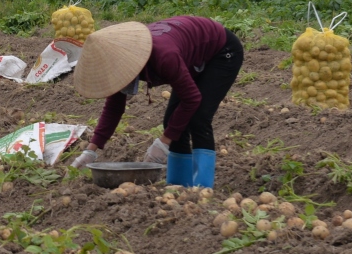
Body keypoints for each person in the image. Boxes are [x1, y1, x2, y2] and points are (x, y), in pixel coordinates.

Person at [70, 17, 244, 189]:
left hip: (222, 52)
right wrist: (90, 150)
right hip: (191, 54)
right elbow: (114, 107)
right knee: (172, 121)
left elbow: (192, 99)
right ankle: (179, 185)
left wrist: (163, 143)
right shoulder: (121, 64)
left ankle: (202, 189)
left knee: (198, 118)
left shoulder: (164, 57)